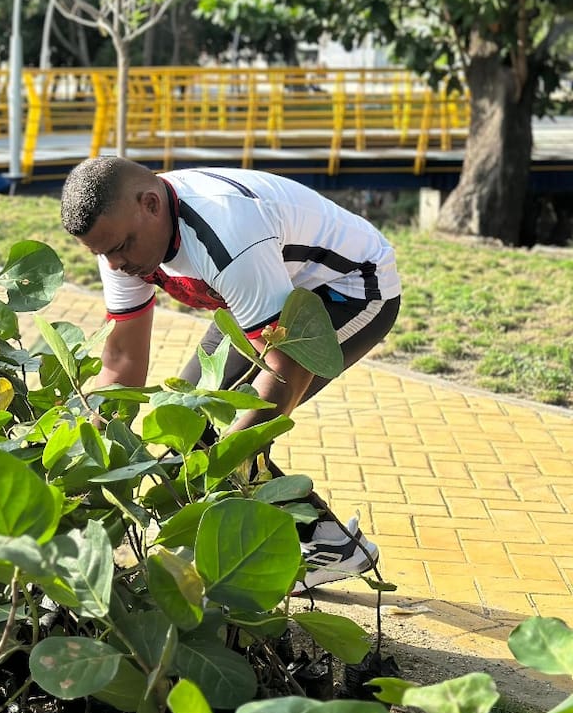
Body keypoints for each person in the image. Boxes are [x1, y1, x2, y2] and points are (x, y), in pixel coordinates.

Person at [60, 156, 401, 591]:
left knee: (225, 446)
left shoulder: (226, 235)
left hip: (350, 290)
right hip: (273, 290)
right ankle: (331, 540)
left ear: (151, 204)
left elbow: (284, 367)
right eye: (101, 253)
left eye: (121, 248)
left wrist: (230, 455)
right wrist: (84, 456)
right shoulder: (122, 241)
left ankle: (324, 544)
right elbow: (122, 362)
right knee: (188, 430)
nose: (115, 264)